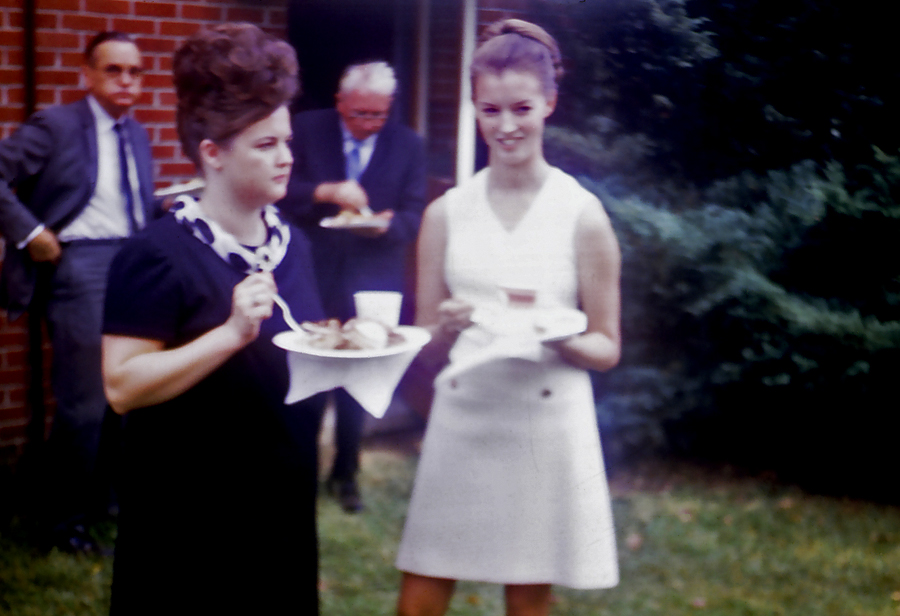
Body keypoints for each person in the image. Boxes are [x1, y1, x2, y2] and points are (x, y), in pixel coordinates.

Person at [394, 19, 621, 616]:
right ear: (474, 108)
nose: (506, 126)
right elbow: (426, 342)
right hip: (464, 416)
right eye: (490, 110)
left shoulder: (582, 214)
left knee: (527, 606)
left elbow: (607, 346)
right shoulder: (446, 213)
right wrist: (443, 329)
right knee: (417, 602)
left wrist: (560, 337)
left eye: (521, 108)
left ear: (549, 103)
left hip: (545, 424)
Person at [101, 23, 324, 614]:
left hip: (281, 508)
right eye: (266, 145)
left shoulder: (294, 246)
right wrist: (229, 335)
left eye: (287, 141)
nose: (287, 158)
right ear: (213, 153)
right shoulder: (156, 254)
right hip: (190, 522)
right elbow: (122, 386)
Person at [0, 31, 158, 553]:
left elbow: (128, 205)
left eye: (135, 71)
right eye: (113, 70)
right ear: (86, 74)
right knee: (85, 402)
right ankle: (63, 524)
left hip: (133, 263)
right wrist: (29, 232)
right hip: (81, 267)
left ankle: (105, 501)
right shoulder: (56, 125)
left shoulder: (137, 134)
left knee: (126, 392)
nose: (126, 81)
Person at [279, 60, 427, 512]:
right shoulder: (307, 129)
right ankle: (299, 469)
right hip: (312, 269)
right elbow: (281, 190)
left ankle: (346, 473)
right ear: (340, 102)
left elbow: (414, 214)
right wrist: (325, 192)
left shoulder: (408, 144)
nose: (368, 123)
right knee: (307, 368)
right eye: (359, 113)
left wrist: (388, 225)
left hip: (372, 276)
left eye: (378, 114)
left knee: (358, 376)